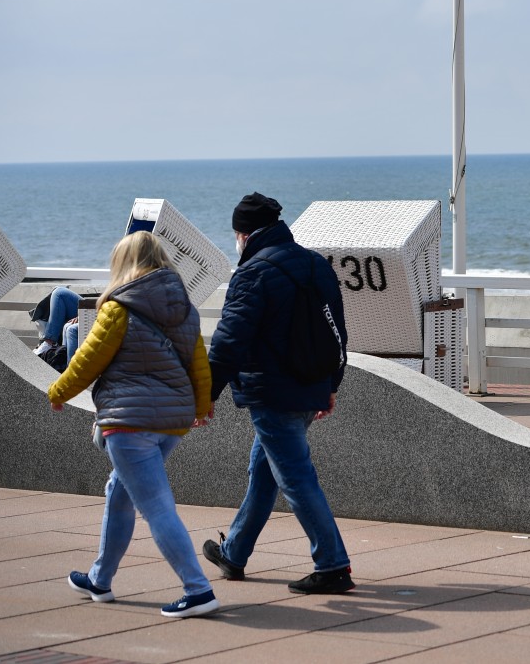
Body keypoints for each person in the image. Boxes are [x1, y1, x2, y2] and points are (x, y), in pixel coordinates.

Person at [47, 231, 218, 618]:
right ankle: (100, 578)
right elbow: (199, 364)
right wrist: (203, 405)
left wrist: (57, 391)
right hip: (171, 422)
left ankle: (198, 589)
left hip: (128, 421)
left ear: (123, 264)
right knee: (120, 493)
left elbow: (87, 362)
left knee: (157, 506)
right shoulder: (184, 307)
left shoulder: (118, 308)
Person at [203, 192, 354, 595]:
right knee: (264, 475)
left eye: (236, 234)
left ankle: (333, 564)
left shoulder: (253, 272)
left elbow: (229, 341)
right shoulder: (315, 264)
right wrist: (331, 385)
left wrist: (207, 394)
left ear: (244, 233)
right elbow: (338, 332)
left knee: (295, 477)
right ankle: (233, 553)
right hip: (311, 386)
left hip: (273, 392)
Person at [30, 285, 80, 366]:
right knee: (58, 291)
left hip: (97, 311)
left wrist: (86, 313)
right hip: (97, 308)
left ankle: (49, 342)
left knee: (59, 292)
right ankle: (52, 345)